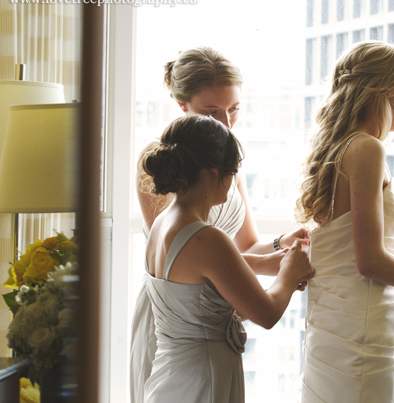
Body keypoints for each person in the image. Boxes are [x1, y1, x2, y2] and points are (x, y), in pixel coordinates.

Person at [130, 47, 309, 403]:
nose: (226, 123)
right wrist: (284, 271)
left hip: (211, 298)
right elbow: (189, 260)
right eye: (212, 112)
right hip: (180, 316)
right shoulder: (164, 165)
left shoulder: (223, 159)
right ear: (183, 105)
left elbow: (240, 248)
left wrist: (277, 248)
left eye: (234, 110)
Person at [295, 41, 394, 403]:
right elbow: (370, 262)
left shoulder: (340, 149)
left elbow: (354, 258)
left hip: (338, 323)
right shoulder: (366, 148)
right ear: (375, 92)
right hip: (360, 333)